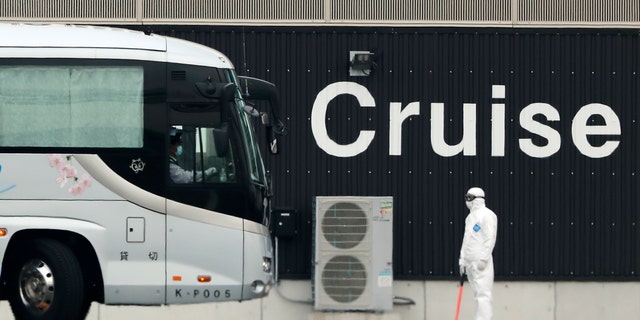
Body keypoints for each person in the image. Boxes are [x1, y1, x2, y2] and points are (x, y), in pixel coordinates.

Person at [459, 187, 498, 320]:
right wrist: (462, 260)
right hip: (470, 261)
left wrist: (484, 258)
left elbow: (490, 237)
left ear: (478, 199)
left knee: (483, 293)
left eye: (470, 198)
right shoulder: (470, 217)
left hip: (481, 261)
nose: (467, 201)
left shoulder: (488, 215)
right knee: (476, 292)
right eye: (466, 198)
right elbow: (467, 239)